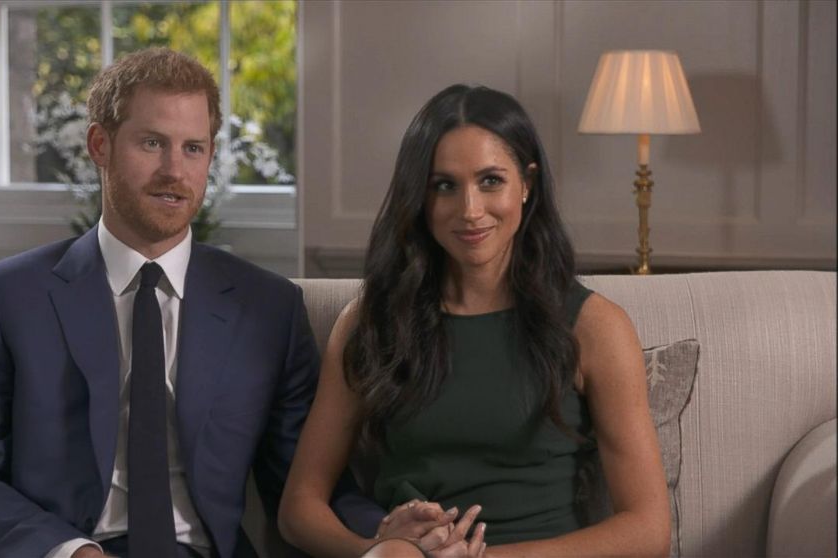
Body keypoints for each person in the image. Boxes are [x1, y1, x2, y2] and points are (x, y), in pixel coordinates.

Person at [0, 47, 383, 558]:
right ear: (100, 144)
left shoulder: (269, 308)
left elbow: (307, 484)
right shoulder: (8, 296)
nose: (174, 171)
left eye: (193, 148)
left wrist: (388, 531)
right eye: (152, 143)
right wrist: (68, 551)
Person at [279, 84, 671, 557]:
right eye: (444, 185)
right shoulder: (370, 323)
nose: (469, 210)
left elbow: (648, 528)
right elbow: (299, 508)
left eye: (490, 181)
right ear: (419, 198)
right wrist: (376, 550)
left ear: (527, 183)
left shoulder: (594, 327)